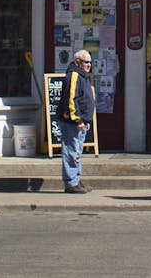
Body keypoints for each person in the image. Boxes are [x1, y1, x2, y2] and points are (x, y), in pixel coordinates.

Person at [57, 49, 96, 193]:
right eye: (86, 62)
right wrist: (77, 120)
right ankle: (71, 183)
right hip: (72, 122)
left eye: (90, 63)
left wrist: (86, 120)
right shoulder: (74, 75)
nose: (89, 65)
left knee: (77, 152)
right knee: (71, 151)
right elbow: (71, 100)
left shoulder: (83, 76)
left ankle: (76, 180)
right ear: (78, 62)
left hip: (81, 122)